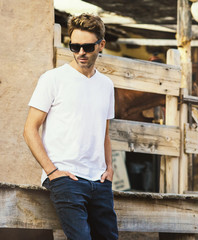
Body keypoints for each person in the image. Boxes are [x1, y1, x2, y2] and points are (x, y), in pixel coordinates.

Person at [23, 13, 118, 240]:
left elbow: (103, 133)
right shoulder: (52, 79)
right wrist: (52, 171)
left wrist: (109, 168)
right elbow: (29, 129)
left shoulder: (106, 85)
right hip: (67, 179)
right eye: (74, 46)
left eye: (87, 46)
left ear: (101, 45)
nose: (81, 53)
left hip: (100, 181)